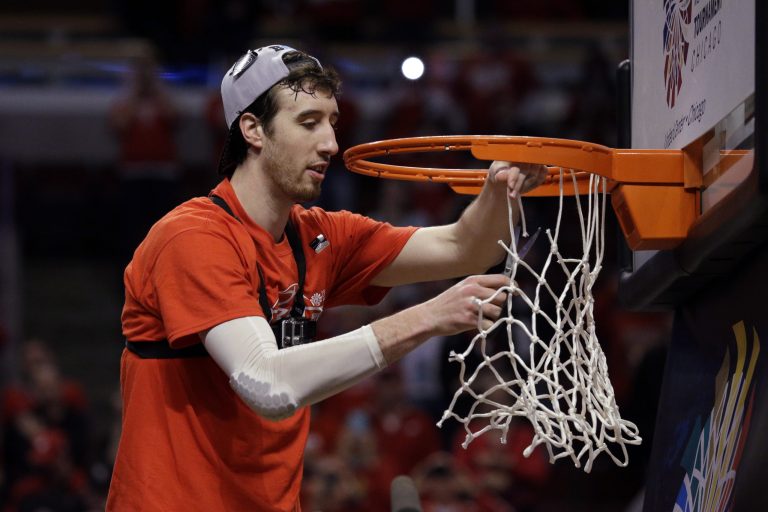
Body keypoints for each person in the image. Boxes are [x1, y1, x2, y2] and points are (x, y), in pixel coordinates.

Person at [105, 44, 546, 511]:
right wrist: (425, 318)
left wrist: (500, 191)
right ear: (253, 129)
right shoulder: (192, 237)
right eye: (309, 122)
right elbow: (267, 383)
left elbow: (465, 247)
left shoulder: (320, 236)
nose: (331, 143)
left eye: (333, 122)